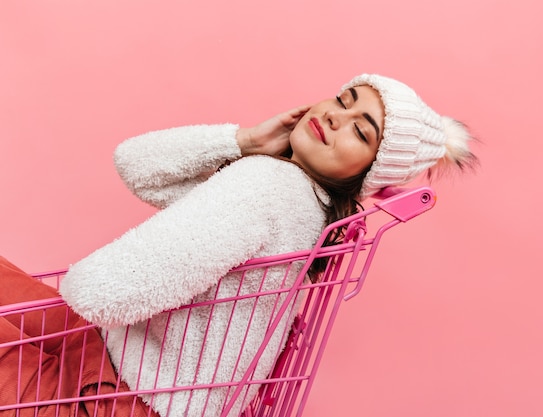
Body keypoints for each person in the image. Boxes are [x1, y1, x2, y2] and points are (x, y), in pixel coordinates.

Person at [0, 74, 478, 416]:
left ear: (367, 174)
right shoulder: (303, 201)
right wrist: (244, 140)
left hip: (121, 396)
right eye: (343, 98)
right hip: (123, 362)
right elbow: (135, 165)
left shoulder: (269, 188)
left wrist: (251, 157)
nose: (336, 116)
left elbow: (100, 291)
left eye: (359, 130)